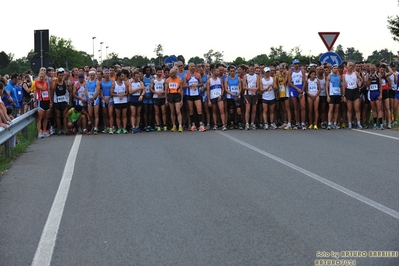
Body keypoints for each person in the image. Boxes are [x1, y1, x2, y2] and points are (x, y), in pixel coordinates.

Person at [183, 62, 206, 132]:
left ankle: (201, 125)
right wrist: (190, 86)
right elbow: (183, 85)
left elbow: (201, 83)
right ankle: (193, 125)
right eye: (191, 66)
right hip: (190, 95)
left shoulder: (198, 75)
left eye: (193, 66)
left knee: (199, 110)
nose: (193, 68)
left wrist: (196, 85)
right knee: (191, 110)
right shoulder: (186, 76)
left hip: (197, 95)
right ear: (189, 67)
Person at [342, 62, 364, 129]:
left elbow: (361, 79)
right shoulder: (344, 75)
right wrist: (344, 95)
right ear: (347, 67)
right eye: (349, 66)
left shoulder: (356, 73)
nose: (351, 67)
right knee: (349, 109)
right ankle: (349, 123)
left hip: (355, 91)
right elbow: (343, 85)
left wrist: (360, 82)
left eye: (352, 65)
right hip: (348, 91)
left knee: (357, 108)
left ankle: (358, 123)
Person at [51, 68, 72, 135]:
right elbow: (52, 90)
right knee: (58, 116)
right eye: (59, 75)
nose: (60, 77)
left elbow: (69, 91)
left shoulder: (65, 82)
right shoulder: (55, 82)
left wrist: (69, 101)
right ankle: (59, 129)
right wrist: (51, 101)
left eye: (62, 75)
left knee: (64, 116)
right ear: (57, 75)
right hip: (57, 101)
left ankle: (65, 129)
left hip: (64, 100)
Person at [288, 59, 307, 130]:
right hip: (294, 89)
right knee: (295, 107)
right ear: (293, 64)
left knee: (303, 106)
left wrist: (301, 90)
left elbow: (304, 81)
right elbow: (289, 82)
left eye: (298, 64)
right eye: (295, 64)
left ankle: (303, 123)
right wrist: (297, 89)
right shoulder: (290, 71)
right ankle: (297, 122)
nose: (297, 65)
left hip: (301, 88)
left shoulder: (302, 71)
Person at [207, 65, 227, 130]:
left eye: (218, 71)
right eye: (217, 71)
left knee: (221, 110)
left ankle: (223, 124)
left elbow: (223, 88)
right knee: (214, 111)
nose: (218, 72)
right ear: (213, 72)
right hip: (213, 97)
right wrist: (209, 100)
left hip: (219, 96)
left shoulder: (220, 79)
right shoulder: (209, 80)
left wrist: (221, 95)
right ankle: (215, 124)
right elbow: (208, 91)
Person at [165, 67, 184, 132]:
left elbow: (181, 90)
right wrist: (166, 99)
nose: (170, 74)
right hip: (170, 95)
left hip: (177, 95)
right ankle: (174, 125)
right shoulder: (167, 80)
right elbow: (166, 90)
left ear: (174, 73)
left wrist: (182, 99)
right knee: (172, 111)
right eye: (170, 73)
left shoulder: (179, 80)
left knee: (178, 111)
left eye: (171, 73)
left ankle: (180, 125)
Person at [224, 65, 243, 130]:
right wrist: (232, 94)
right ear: (229, 72)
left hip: (237, 96)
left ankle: (239, 123)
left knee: (239, 110)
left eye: (233, 71)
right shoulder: (227, 79)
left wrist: (238, 94)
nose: (232, 72)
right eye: (231, 71)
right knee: (231, 110)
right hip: (230, 97)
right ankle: (232, 123)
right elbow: (226, 89)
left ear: (235, 71)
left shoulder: (238, 78)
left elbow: (240, 88)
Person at [35, 71, 52, 138]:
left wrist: (50, 101)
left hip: (47, 101)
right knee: (40, 118)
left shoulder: (47, 83)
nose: (41, 78)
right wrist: (44, 81)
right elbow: (43, 88)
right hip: (41, 101)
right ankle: (39, 132)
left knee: (46, 117)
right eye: (40, 77)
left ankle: (44, 131)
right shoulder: (37, 82)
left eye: (43, 77)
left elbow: (48, 91)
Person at [325, 64, 343, 130]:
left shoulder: (338, 77)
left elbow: (340, 86)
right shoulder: (329, 76)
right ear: (332, 69)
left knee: (336, 109)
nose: (336, 69)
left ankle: (334, 123)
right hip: (332, 94)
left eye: (336, 68)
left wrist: (342, 95)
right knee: (331, 109)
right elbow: (326, 87)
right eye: (334, 68)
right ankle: (329, 123)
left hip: (338, 94)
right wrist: (328, 96)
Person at [366, 64, 384, 129]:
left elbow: (380, 85)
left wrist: (381, 94)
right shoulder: (368, 75)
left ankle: (381, 124)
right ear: (370, 70)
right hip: (371, 93)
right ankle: (375, 123)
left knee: (379, 108)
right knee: (373, 109)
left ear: (375, 69)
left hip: (377, 92)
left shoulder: (378, 75)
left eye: (373, 70)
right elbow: (367, 85)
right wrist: (371, 78)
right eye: (371, 70)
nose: (372, 71)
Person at [150, 66, 167, 131]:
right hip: (155, 97)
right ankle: (158, 125)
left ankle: (164, 125)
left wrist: (162, 93)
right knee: (157, 112)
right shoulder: (153, 80)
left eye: (160, 72)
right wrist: (156, 93)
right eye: (158, 72)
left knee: (163, 111)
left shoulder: (164, 80)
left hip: (162, 97)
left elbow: (166, 89)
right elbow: (151, 89)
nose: (159, 73)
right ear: (156, 72)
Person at [242, 65, 259, 130]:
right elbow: (243, 86)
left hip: (254, 94)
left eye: (253, 69)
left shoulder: (256, 76)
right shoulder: (245, 76)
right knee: (248, 109)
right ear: (248, 69)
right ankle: (247, 123)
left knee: (254, 109)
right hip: (247, 94)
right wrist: (250, 89)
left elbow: (258, 86)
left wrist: (255, 90)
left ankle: (252, 123)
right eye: (251, 69)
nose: (252, 70)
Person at [100, 69, 115, 134]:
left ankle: (111, 128)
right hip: (103, 98)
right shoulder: (101, 82)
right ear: (103, 74)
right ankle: (107, 127)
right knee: (105, 114)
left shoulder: (112, 81)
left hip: (110, 98)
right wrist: (104, 98)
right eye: (105, 73)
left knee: (110, 114)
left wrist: (108, 98)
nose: (107, 75)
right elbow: (100, 91)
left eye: (108, 73)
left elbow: (112, 91)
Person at [86, 69, 101, 134]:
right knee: (90, 114)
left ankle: (96, 127)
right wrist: (88, 98)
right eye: (91, 75)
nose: (92, 76)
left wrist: (93, 98)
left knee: (96, 113)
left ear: (95, 75)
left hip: (95, 99)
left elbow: (98, 91)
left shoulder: (97, 82)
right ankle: (92, 126)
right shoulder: (87, 81)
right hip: (89, 99)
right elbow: (86, 90)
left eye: (93, 75)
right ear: (89, 75)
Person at [379, 64, 392, 129]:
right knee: (381, 108)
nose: (382, 71)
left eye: (383, 70)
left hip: (385, 92)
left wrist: (387, 65)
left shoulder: (385, 75)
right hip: (379, 92)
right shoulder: (378, 75)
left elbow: (391, 72)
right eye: (381, 69)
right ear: (379, 69)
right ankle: (383, 121)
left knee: (387, 107)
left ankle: (389, 123)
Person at [142, 66, 154, 132]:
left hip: (151, 96)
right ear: (145, 71)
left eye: (149, 70)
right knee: (145, 111)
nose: (148, 71)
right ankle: (146, 125)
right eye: (147, 70)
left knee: (150, 111)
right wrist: (144, 95)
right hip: (145, 96)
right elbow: (142, 87)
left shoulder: (152, 78)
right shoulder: (143, 78)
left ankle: (150, 125)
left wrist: (151, 94)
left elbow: (154, 87)